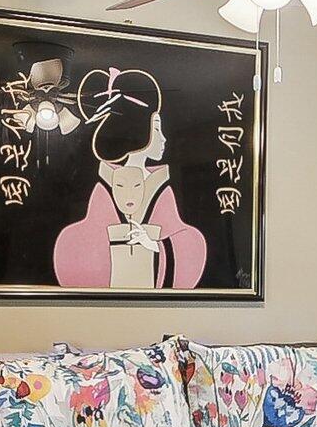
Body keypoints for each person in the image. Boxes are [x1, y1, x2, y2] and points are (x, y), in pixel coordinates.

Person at [52, 68, 205, 289]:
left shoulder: (162, 186)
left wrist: (154, 245)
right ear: (139, 130)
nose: (163, 139)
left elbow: (185, 242)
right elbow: (88, 237)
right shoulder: (105, 183)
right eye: (157, 129)